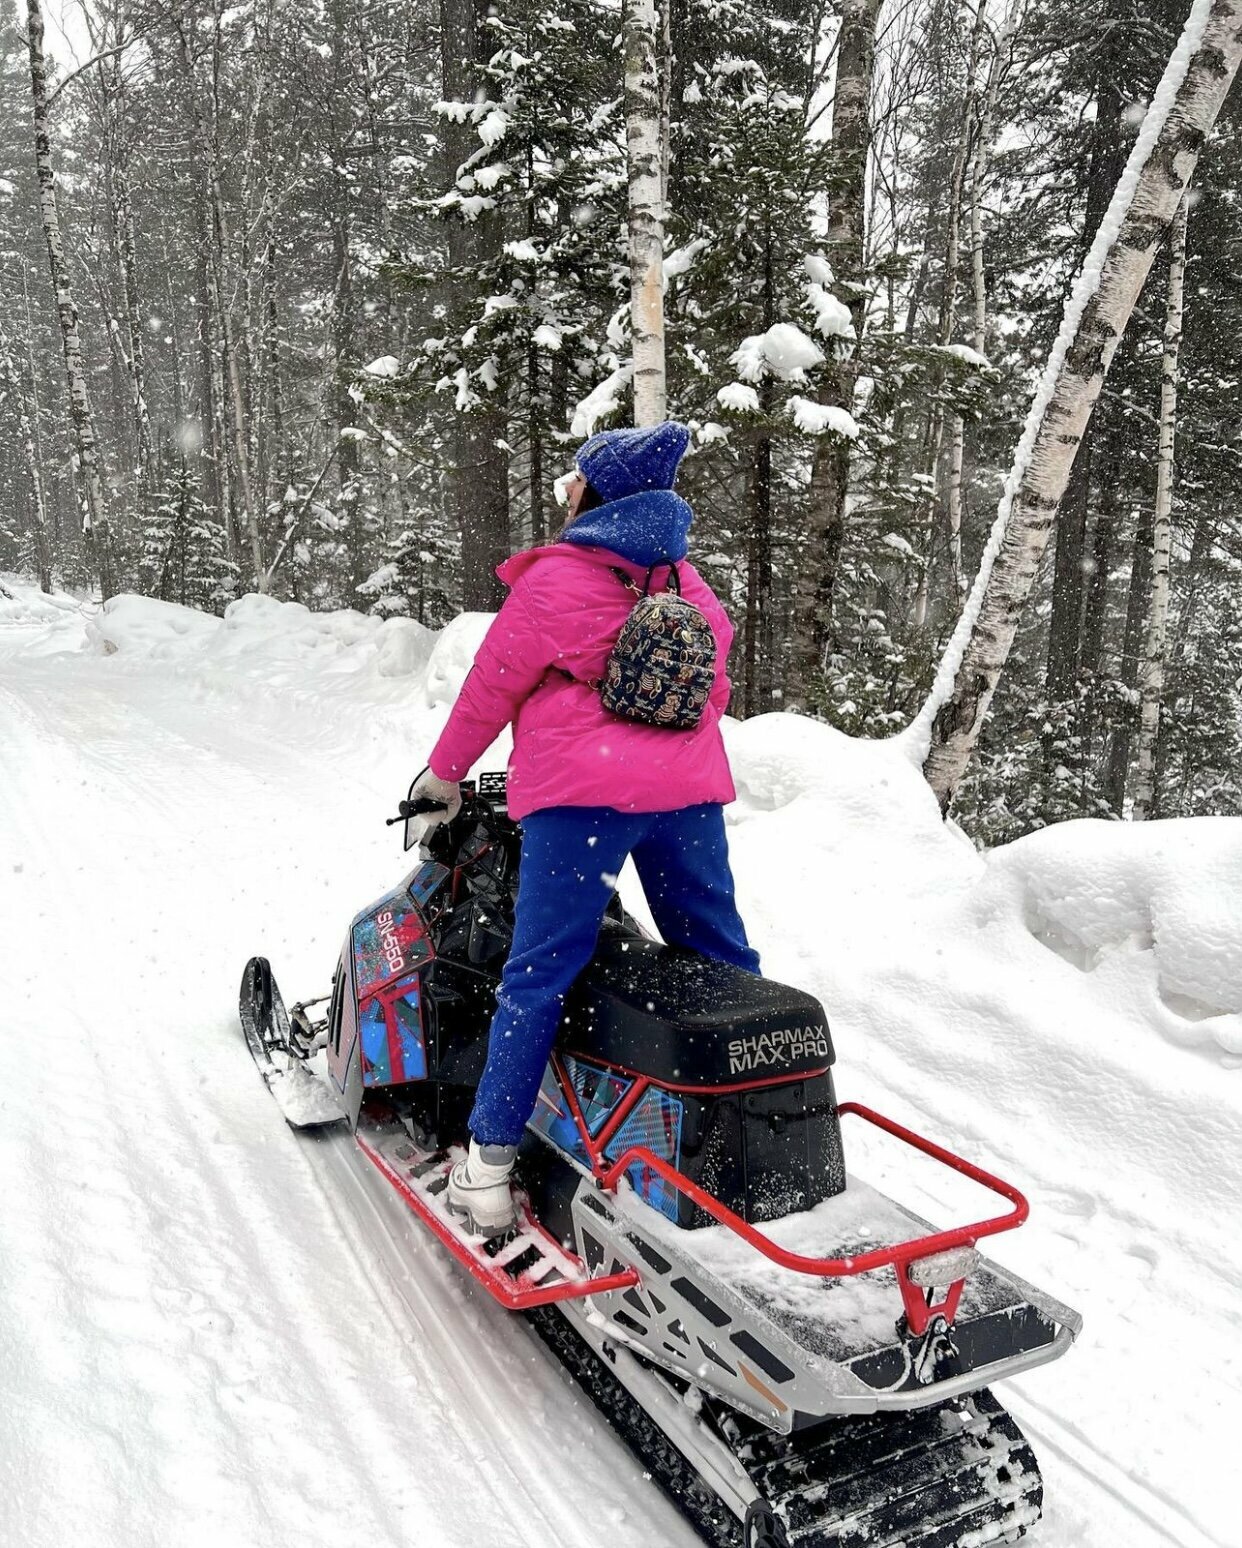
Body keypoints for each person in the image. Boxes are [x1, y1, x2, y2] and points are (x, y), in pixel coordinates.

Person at [410, 420, 759, 1234]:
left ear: (598, 493)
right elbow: (713, 690)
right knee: (720, 959)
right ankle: (742, 1138)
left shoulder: (557, 579)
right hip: (687, 798)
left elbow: (492, 686)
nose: (567, 487)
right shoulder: (686, 581)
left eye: (576, 477)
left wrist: (445, 774)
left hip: (581, 801)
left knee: (539, 976)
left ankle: (488, 1168)